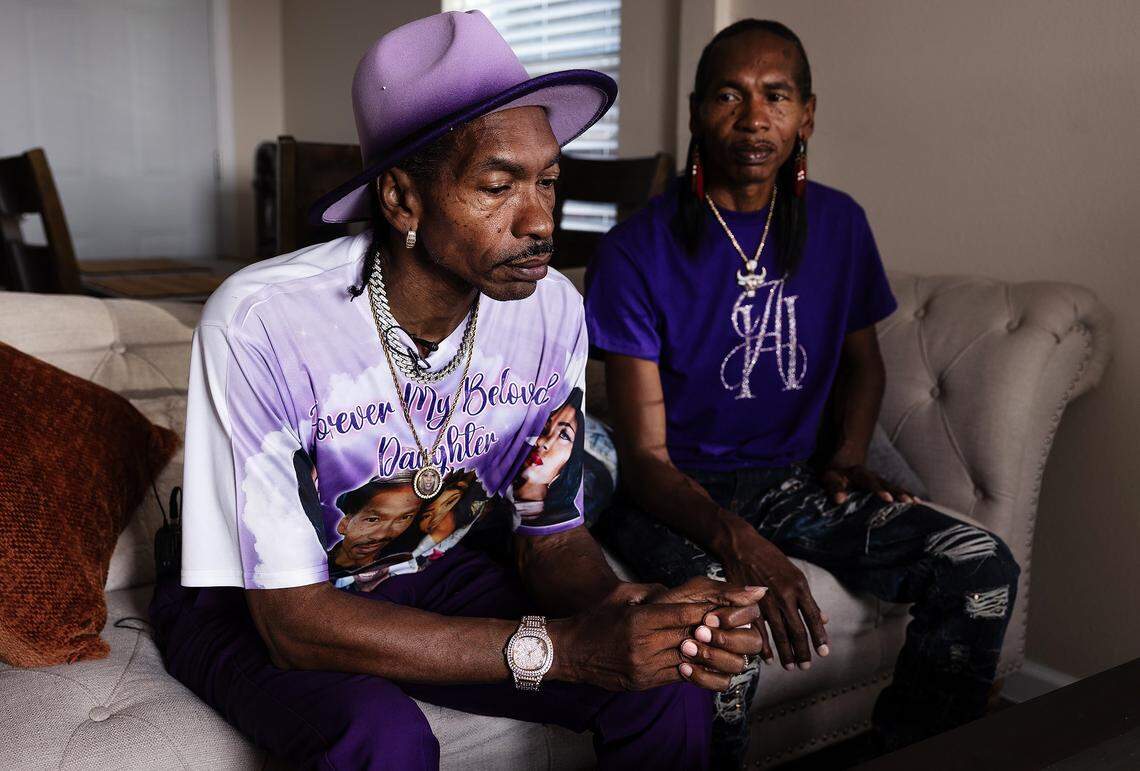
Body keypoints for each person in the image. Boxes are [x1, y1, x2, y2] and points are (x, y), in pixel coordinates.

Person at [149, 12, 769, 770]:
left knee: (666, 686)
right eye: (498, 186)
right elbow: (293, 623)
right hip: (252, 603)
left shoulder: (551, 313)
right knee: (381, 735)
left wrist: (632, 617)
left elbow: (552, 537)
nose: (539, 221)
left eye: (548, 181)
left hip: (424, 565)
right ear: (402, 201)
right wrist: (564, 649)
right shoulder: (263, 322)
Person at [585, 19, 1021, 766]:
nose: (754, 118)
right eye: (729, 95)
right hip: (672, 493)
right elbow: (646, 459)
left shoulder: (840, 224)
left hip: (790, 480)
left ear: (807, 115)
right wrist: (740, 543)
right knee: (722, 629)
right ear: (696, 112)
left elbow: (865, 364)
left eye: (777, 96)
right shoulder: (634, 250)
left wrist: (847, 455)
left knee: (980, 563)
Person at [328, 473, 421, 572]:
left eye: (405, 517)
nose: (381, 535)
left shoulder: (406, 560)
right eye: (372, 520)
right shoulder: (320, 567)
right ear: (344, 524)